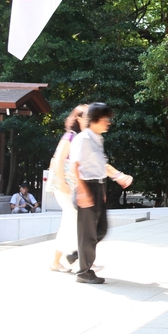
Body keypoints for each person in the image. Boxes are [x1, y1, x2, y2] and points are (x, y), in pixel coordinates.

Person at [69, 103, 132, 284]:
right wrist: (82, 190)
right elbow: (74, 165)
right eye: (106, 119)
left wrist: (105, 186)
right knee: (88, 233)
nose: (108, 123)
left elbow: (99, 166)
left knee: (101, 229)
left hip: (96, 186)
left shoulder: (97, 139)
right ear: (95, 119)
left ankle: (78, 254)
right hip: (85, 187)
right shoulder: (83, 139)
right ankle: (83, 271)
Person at [49, 105, 87, 272]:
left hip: (72, 187)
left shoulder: (82, 137)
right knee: (73, 221)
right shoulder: (70, 136)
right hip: (64, 187)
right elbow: (58, 160)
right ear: (78, 118)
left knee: (69, 222)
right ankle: (78, 258)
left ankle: (58, 261)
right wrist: (63, 183)